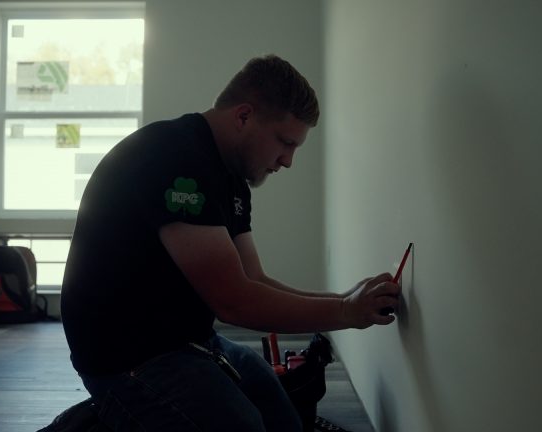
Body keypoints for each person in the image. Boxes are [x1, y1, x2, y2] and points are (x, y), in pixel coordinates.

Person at [60, 54, 401, 431]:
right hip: (126, 357)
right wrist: (345, 313)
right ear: (243, 116)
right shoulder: (174, 157)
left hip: (187, 340)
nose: (288, 161)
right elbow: (235, 302)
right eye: (285, 142)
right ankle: (106, 418)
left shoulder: (232, 178)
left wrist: (343, 300)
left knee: (284, 419)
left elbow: (252, 278)